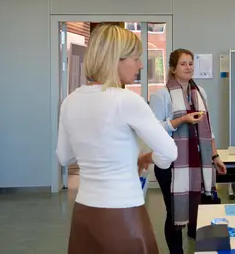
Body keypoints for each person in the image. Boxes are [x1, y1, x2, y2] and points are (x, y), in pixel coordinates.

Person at [56, 24, 178, 254]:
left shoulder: (70, 101)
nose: (140, 65)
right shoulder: (127, 100)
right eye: (136, 58)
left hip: (84, 213)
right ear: (116, 60)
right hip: (123, 212)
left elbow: (64, 157)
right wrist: (149, 157)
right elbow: (169, 153)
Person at [149, 48, 227, 254]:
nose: (188, 67)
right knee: (174, 213)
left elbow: (208, 129)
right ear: (173, 68)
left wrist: (215, 155)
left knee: (201, 209)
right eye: (183, 64)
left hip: (199, 162)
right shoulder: (161, 95)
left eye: (191, 63)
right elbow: (154, 130)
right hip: (172, 165)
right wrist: (181, 120)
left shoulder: (200, 92)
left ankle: (199, 245)